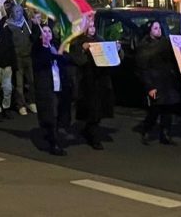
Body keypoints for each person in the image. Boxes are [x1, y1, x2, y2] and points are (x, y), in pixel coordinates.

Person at [69, 20, 117, 150]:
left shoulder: (100, 40)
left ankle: (89, 129)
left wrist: (116, 50)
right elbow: (77, 59)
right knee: (92, 109)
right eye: (89, 26)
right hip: (87, 80)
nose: (92, 29)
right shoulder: (78, 42)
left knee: (99, 108)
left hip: (101, 79)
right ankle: (93, 137)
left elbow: (111, 58)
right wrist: (83, 50)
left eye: (93, 26)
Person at [136, 20, 181, 145]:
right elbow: (143, 69)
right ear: (150, 30)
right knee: (154, 110)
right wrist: (149, 87)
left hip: (167, 81)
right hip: (154, 82)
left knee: (168, 110)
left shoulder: (165, 43)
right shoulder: (144, 46)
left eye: (159, 28)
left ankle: (165, 134)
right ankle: (146, 130)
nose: (158, 30)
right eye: (155, 28)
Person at [32, 25, 71, 156]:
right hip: (46, 87)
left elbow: (65, 59)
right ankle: (54, 144)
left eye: (49, 31)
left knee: (58, 114)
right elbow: (41, 62)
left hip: (58, 86)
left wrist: (59, 54)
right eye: (44, 31)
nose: (47, 33)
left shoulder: (54, 47)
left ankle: (51, 135)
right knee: (51, 114)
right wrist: (54, 54)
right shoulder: (38, 49)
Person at [1, 4, 36, 116]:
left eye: (20, 11)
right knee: (19, 84)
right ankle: (21, 105)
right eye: (16, 11)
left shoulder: (27, 23)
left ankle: (31, 102)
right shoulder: (8, 25)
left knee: (31, 81)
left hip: (28, 56)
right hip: (17, 57)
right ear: (12, 13)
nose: (19, 13)